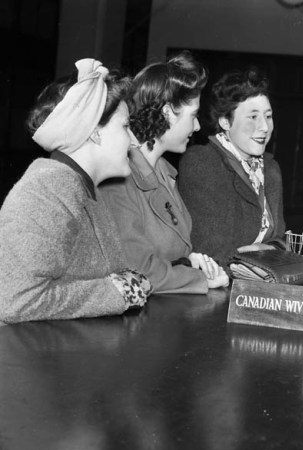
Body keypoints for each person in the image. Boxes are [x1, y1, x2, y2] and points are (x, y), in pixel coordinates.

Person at [0, 59, 152, 324]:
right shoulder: (46, 189)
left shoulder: (83, 188)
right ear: (94, 133)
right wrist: (121, 291)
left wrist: (125, 284)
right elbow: (15, 300)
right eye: (126, 127)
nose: (134, 141)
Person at [100, 51, 228, 294]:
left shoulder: (164, 173)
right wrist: (196, 279)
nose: (198, 126)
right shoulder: (120, 180)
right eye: (193, 115)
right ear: (168, 114)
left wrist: (189, 261)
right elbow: (137, 270)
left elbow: (168, 252)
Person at [178, 67, 286, 266]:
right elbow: (210, 250)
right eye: (253, 117)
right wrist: (265, 256)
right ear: (225, 122)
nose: (264, 127)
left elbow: (280, 240)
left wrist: (265, 251)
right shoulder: (203, 163)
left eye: (268, 116)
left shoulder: (270, 169)